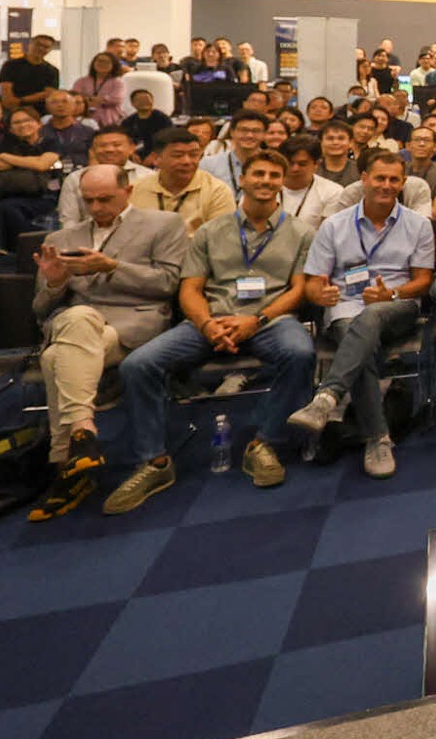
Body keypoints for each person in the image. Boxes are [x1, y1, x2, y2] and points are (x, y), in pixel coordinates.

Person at [104, 150, 318, 509]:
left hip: (269, 320)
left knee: (300, 353)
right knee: (138, 364)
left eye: (273, 176)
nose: (266, 181)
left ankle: (264, 442)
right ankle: (154, 461)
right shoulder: (211, 231)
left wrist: (256, 320)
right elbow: (189, 289)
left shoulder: (300, 232)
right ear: (243, 180)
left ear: (282, 183)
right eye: (259, 174)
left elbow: (297, 290)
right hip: (212, 319)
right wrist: (206, 323)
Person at [27, 165, 189, 517]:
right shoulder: (61, 239)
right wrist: (55, 283)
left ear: (127, 192)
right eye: (89, 201)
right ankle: (82, 437)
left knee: (56, 358)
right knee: (75, 320)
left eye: (105, 199)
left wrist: (111, 266)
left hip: (133, 320)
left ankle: (65, 461)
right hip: (78, 326)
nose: (97, 207)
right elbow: (39, 309)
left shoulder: (164, 224)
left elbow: (167, 285)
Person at [292, 153, 436, 478]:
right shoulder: (334, 226)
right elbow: (313, 284)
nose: (386, 185)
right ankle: (378, 437)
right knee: (359, 338)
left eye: (393, 180)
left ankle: (327, 396)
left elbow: (424, 281)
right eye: (380, 178)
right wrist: (322, 295)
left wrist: (392, 294)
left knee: (370, 316)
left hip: (397, 305)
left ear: (402, 183)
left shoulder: (417, 225)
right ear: (364, 179)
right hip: (345, 306)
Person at [128, 127, 234, 235]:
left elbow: (220, 239)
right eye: (178, 156)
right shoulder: (136, 189)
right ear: (156, 159)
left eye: (193, 155)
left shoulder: (217, 191)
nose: (187, 161)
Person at [0, 104, 64, 248]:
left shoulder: (51, 142)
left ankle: (31, 246)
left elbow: (42, 164)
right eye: (17, 122)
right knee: (5, 207)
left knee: (9, 209)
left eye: (28, 120)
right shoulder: (5, 144)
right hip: (12, 193)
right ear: (10, 128)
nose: (23, 125)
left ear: (39, 124)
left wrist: (7, 157)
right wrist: (32, 161)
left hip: (46, 195)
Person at [200, 110, 271, 197]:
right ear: (232, 132)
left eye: (256, 131)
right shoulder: (209, 164)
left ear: (264, 134)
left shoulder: (273, 164)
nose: (249, 135)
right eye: (244, 130)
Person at [0, 33, 61, 113]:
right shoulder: (10, 66)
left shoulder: (52, 71)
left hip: (40, 113)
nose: (41, 49)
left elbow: (48, 93)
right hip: (12, 111)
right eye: (38, 45)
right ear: (30, 44)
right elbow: (6, 91)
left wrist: (22, 100)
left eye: (46, 47)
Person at [74, 52, 126, 129]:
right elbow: (75, 97)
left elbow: (116, 99)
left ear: (113, 65)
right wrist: (103, 99)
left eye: (106, 62)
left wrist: (88, 99)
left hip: (111, 119)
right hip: (84, 118)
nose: (102, 64)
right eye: (99, 61)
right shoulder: (82, 81)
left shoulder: (117, 82)